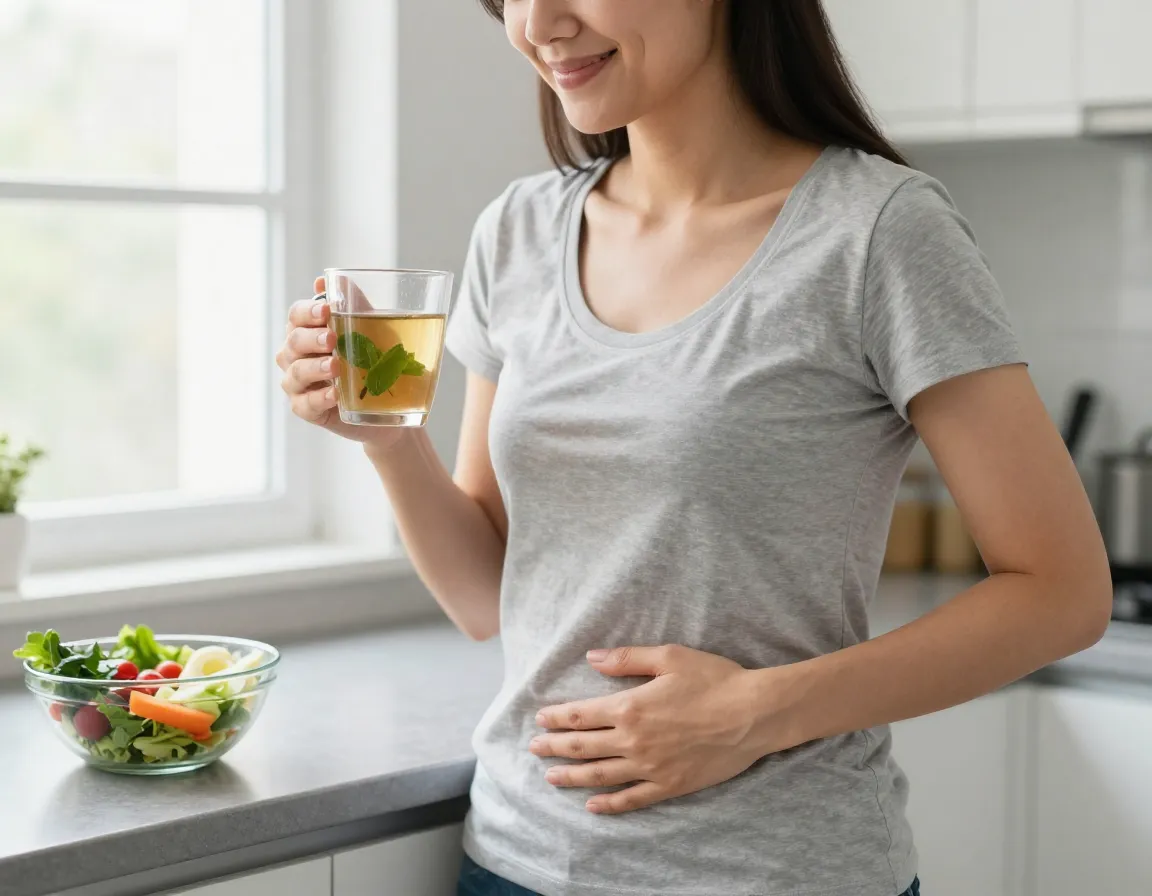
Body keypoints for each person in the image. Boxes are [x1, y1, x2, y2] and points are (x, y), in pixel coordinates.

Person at [276, 2, 1113, 894]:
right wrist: (387, 443)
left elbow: (1061, 594)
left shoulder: (876, 230)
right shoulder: (517, 230)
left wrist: (754, 712)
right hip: (517, 863)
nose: (538, 23)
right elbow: (488, 597)